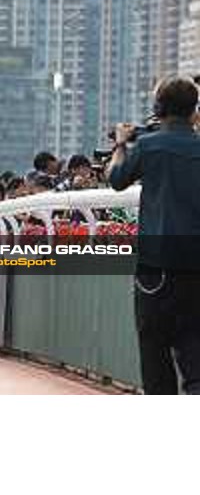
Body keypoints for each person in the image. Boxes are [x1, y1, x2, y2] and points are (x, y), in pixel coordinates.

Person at [108, 76, 200, 395]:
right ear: (194, 111)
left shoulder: (148, 145)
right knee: (195, 356)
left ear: (159, 108)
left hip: (155, 269)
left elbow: (117, 179)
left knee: (154, 354)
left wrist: (121, 144)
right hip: (195, 268)